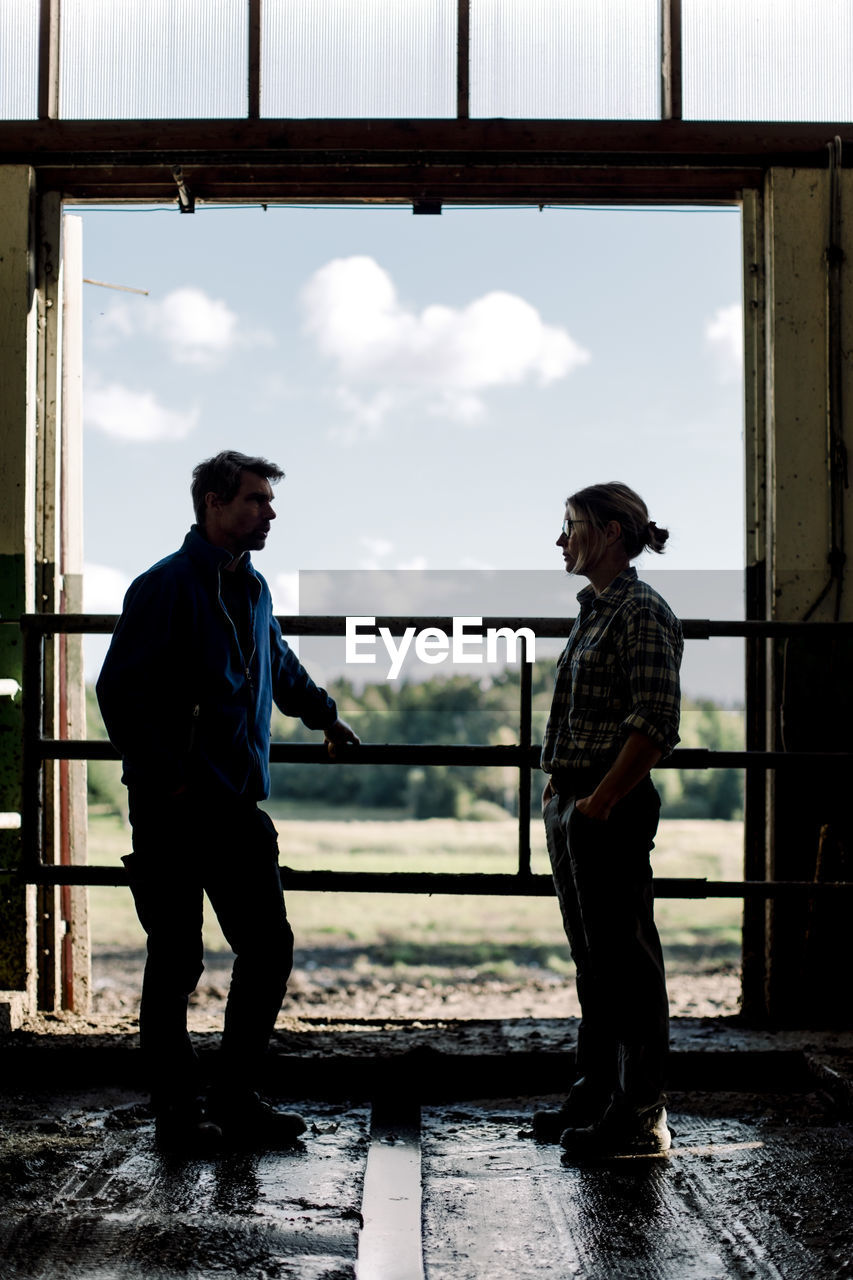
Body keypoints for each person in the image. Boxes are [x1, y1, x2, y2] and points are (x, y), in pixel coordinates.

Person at [96, 450, 359, 1152]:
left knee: (267, 948)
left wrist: (324, 715)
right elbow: (119, 691)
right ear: (213, 503)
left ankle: (236, 1098)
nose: (268, 512)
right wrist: (167, 777)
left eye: (269, 502)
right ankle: (178, 1116)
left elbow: (276, 661)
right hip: (172, 808)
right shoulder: (164, 586)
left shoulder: (254, 588)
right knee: (177, 959)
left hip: (236, 806)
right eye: (254, 500)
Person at [533, 482, 683, 1157]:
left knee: (624, 960)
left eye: (571, 525)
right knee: (594, 958)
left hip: (603, 803)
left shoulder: (639, 612)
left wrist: (599, 802)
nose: (560, 540)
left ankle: (639, 1114)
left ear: (613, 532)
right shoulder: (597, 610)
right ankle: (596, 1092)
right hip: (575, 801)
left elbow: (652, 724)